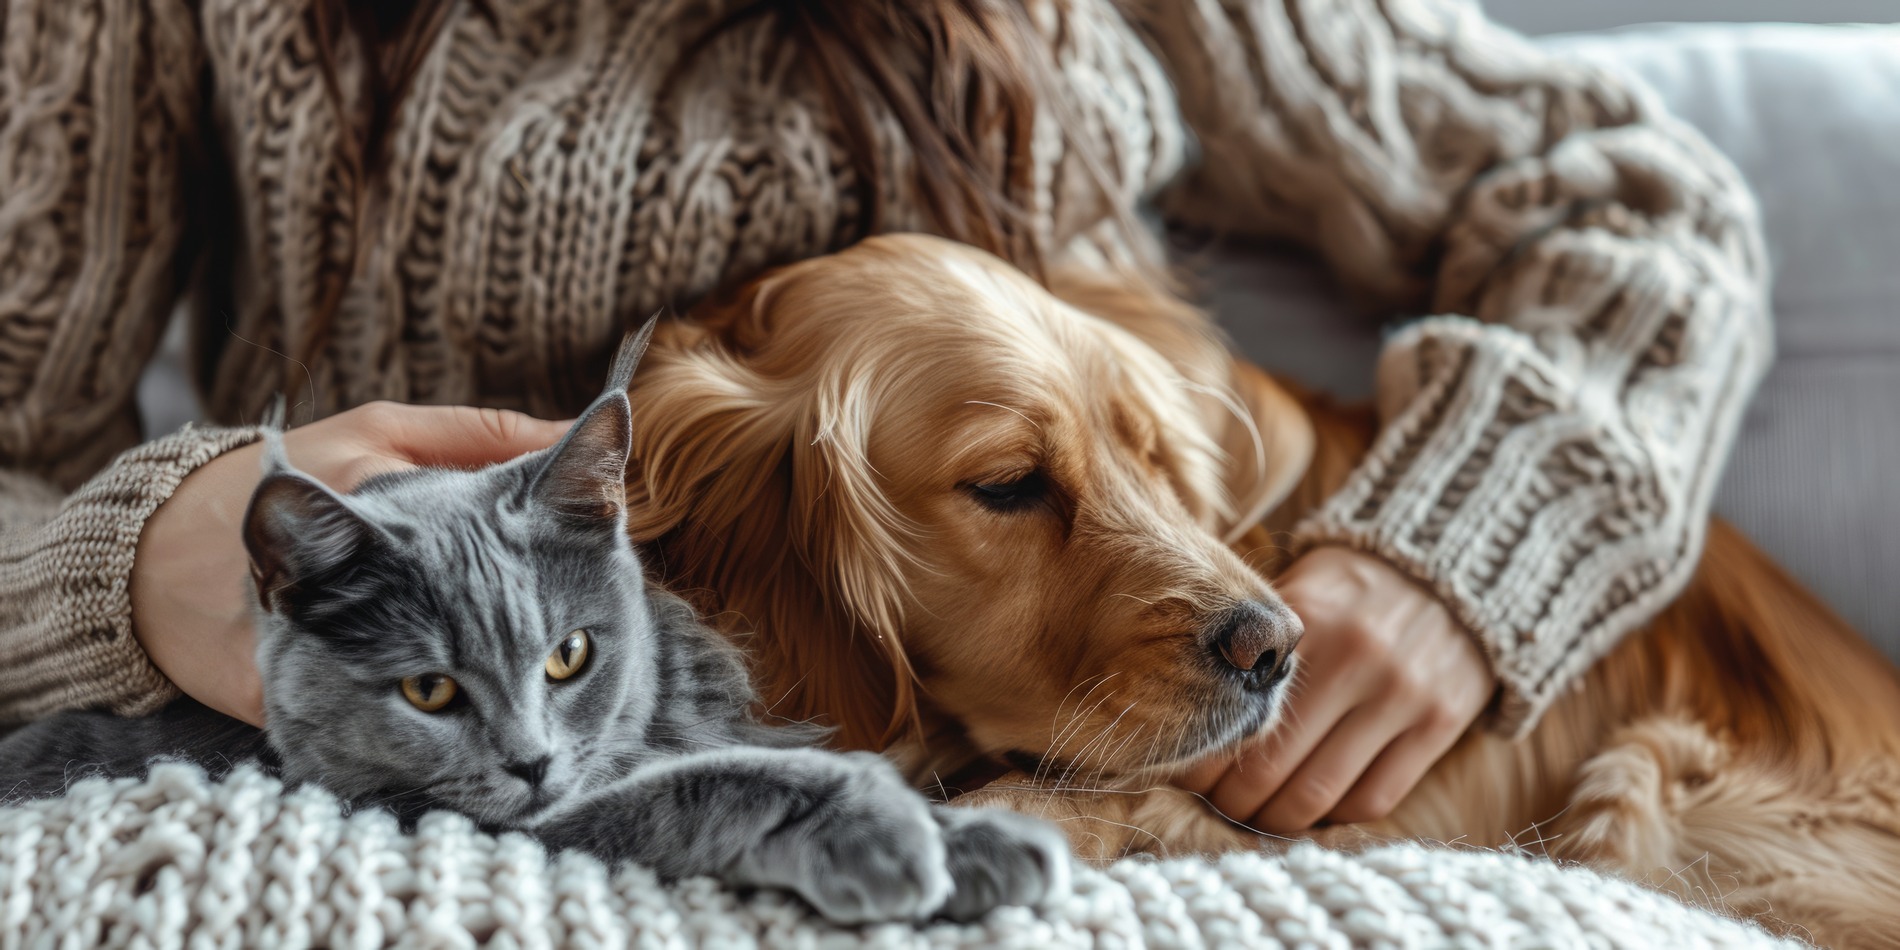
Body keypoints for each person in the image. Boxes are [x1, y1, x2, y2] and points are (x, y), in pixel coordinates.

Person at [0, 0, 1767, 836]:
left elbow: (1635, 206)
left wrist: (1461, 560)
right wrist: (130, 560)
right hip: (416, 742)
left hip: (1145, 788)